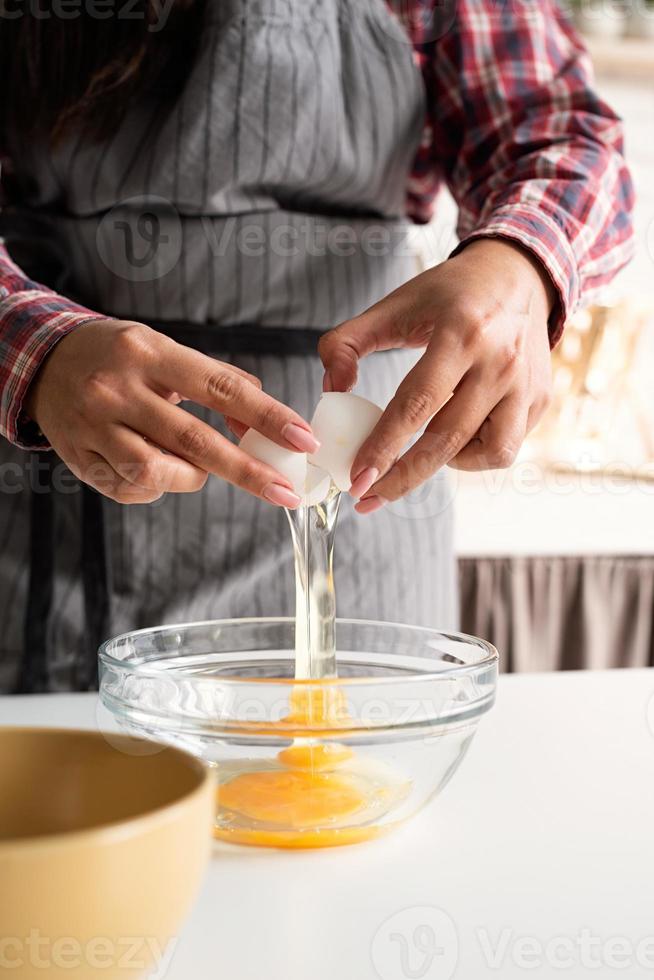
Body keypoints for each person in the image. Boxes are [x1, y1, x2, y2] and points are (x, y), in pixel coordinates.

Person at [0, 0, 633, 693]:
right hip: (65, 489)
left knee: (360, 774)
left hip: (368, 507)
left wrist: (520, 264)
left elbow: (557, 132)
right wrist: (37, 347)